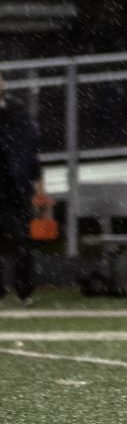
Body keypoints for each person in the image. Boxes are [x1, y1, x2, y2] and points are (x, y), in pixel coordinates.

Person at [0, 74, 40, 305]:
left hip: (15, 184)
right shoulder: (16, 112)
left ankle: (24, 289)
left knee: (21, 238)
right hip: (11, 180)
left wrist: (35, 177)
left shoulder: (17, 111)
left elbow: (30, 147)